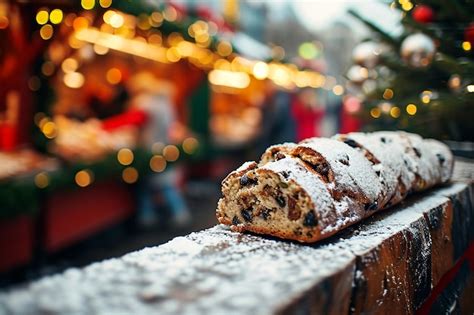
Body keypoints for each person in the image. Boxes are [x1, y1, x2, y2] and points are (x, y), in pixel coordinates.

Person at [127, 72, 191, 228]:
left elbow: (132, 122)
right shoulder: (166, 104)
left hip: (149, 150)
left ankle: (153, 215)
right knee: (162, 184)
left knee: (153, 185)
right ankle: (157, 214)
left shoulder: (144, 105)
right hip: (164, 148)